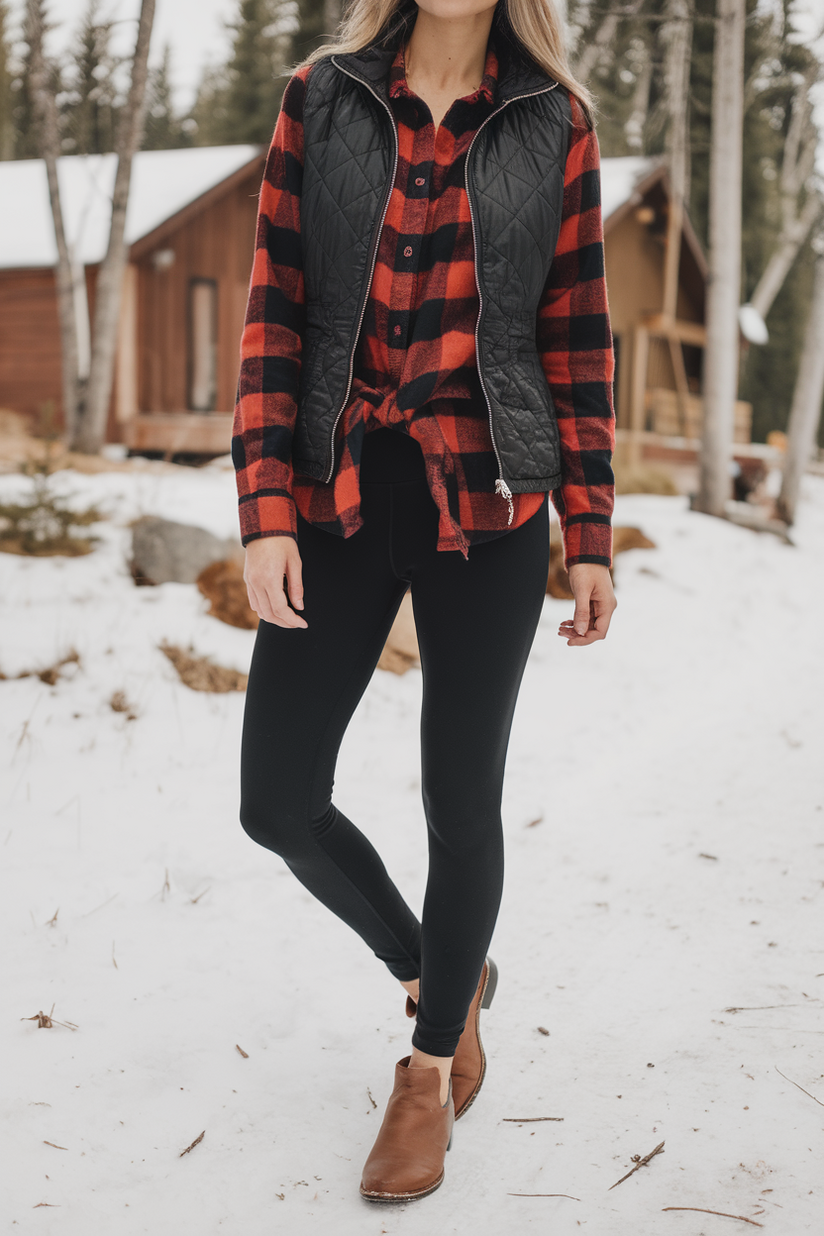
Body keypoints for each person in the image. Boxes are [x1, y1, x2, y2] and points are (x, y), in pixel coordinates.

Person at [232, 0, 617, 1203]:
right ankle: (435, 967)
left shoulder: (553, 122)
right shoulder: (324, 94)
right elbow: (273, 313)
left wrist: (591, 533)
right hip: (337, 488)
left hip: (491, 500)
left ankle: (426, 1064)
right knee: (276, 801)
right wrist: (262, 511)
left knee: (461, 793)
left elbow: (578, 334)